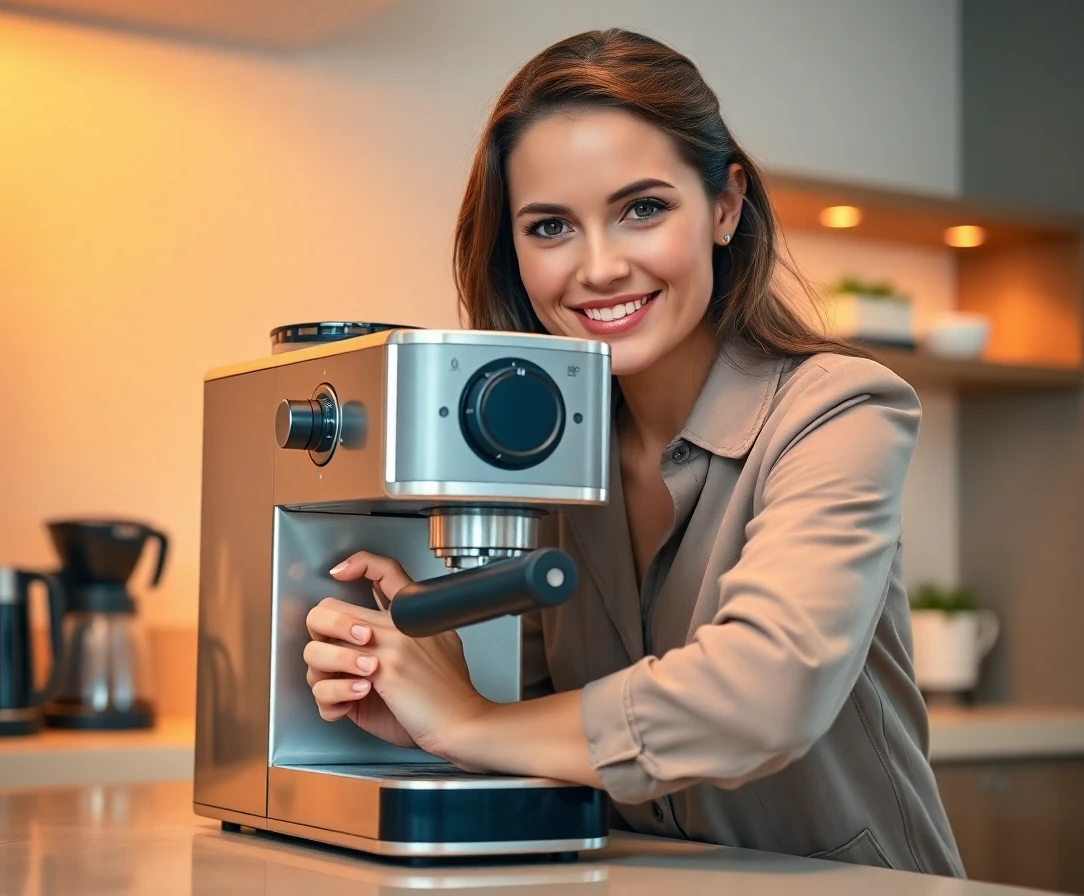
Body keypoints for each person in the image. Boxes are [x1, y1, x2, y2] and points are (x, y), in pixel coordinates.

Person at [303, 28, 965, 877]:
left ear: (725, 206)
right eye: (550, 226)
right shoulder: (544, 462)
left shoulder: (839, 409)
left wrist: (468, 721)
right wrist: (419, 692)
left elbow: (765, 693)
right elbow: (548, 723)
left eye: (642, 208)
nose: (600, 266)